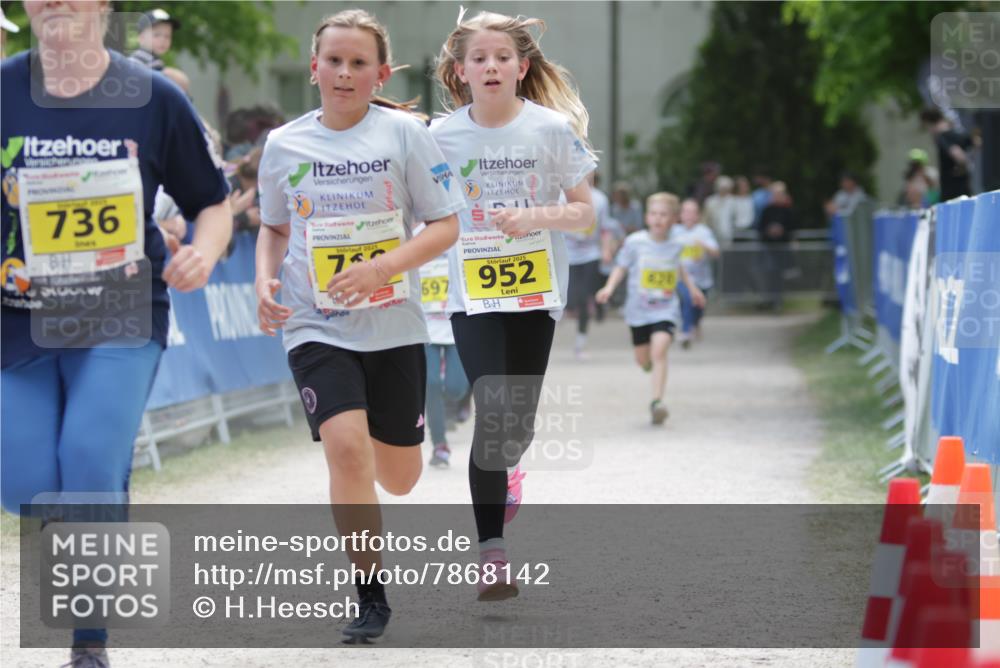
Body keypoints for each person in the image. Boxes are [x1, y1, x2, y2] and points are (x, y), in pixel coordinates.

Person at [2, 2, 232, 665]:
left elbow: (212, 202)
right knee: (23, 489)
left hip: (120, 315)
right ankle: (95, 503)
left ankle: (89, 640)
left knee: (90, 459)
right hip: (17, 319)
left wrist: (204, 252)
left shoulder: (153, 97)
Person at [254, 9, 464, 642]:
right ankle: (370, 595)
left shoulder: (404, 135)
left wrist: (381, 269)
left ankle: (374, 454)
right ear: (314, 68)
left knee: (399, 478)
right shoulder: (283, 143)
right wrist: (264, 279)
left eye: (358, 63)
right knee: (345, 449)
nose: (344, 73)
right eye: (334, 61)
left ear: (381, 74)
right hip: (314, 321)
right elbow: (274, 227)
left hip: (392, 324)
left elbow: (445, 225)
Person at [432, 8, 596, 601]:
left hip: (536, 292)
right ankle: (492, 556)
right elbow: (420, 208)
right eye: (479, 58)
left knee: (514, 426)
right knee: (493, 410)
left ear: (522, 67)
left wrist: (533, 216)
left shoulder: (550, 129)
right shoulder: (439, 137)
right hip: (472, 296)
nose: (491, 66)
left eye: (503, 56)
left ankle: (510, 468)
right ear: (461, 71)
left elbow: (585, 212)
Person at [596, 193, 703, 424]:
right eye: (654, 214)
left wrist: (693, 289)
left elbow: (679, 268)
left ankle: (657, 402)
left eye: (664, 214)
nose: (658, 219)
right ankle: (647, 365)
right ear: (646, 217)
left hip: (665, 309)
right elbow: (621, 267)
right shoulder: (635, 242)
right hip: (638, 312)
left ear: (674, 219)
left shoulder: (677, 244)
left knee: (659, 351)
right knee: (643, 359)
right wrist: (609, 287)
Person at [416, 225, 469, 469]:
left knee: (456, 388)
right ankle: (439, 444)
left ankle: (461, 400)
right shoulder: (415, 233)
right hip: (424, 326)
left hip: (457, 324)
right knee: (431, 384)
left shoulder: (462, 232)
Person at [565, 171, 614, 358]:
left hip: (590, 254)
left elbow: (605, 228)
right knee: (571, 299)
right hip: (568, 254)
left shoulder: (601, 199)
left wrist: (606, 249)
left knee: (584, 298)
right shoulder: (563, 195)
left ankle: (580, 342)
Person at [671, 198, 719, 347]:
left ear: (698, 215)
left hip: (702, 279)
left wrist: (703, 246)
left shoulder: (704, 232)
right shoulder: (674, 231)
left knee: (698, 307)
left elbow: (716, 252)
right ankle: (686, 331)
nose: (689, 215)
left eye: (692, 212)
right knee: (687, 299)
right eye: (686, 212)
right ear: (680, 214)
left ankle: (695, 323)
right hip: (681, 278)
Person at [756, 181, 795, 311]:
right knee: (768, 273)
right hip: (769, 247)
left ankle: (778, 300)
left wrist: (782, 232)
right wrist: (769, 231)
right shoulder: (767, 210)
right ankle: (768, 299)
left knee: (779, 275)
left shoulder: (788, 211)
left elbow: (792, 229)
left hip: (782, 248)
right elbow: (760, 228)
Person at [920, 107, 974, 201]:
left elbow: (957, 155)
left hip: (952, 192)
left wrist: (962, 165)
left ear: (930, 123)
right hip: (964, 188)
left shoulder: (942, 137)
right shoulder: (957, 134)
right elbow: (976, 142)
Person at [703, 174, 737, 247]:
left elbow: (736, 218)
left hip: (729, 234)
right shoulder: (710, 201)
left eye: (726, 188)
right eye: (722, 187)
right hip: (712, 234)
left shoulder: (733, 201)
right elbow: (706, 219)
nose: (723, 190)